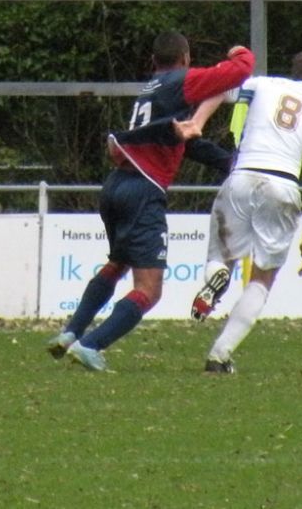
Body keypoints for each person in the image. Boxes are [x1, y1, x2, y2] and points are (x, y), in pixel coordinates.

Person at [46, 31, 254, 371]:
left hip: (117, 185)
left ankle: (71, 332)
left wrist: (228, 162)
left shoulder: (151, 90)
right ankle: (90, 345)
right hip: (143, 191)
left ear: (153, 61)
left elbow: (183, 144)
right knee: (150, 289)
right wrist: (239, 51)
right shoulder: (180, 81)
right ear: (185, 59)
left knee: (118, 263)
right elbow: (240, 70)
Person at [179, 51, 302, 373]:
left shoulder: (262, 84)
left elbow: (219, 88)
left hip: (241, 176)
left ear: (295, 72)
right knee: (263, 278)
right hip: (282, 186)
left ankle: (217, 275)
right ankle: (219, 355)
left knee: (221, 256)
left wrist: (198, 122)